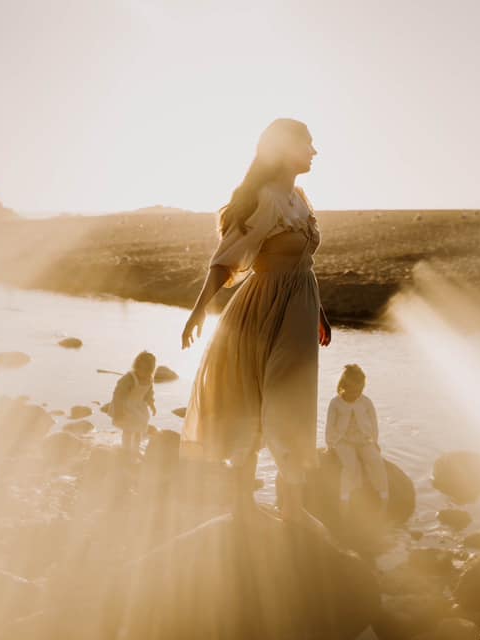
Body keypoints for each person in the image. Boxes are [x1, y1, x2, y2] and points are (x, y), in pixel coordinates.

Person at [180, 118, 332, 528]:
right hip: (262, 311)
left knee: (294, 402)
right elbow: (225, 260)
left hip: (298, 311)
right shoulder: (265, 199)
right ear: (284, 150)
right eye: (308, 144)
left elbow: (302, 263)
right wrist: (198, 312)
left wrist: (317, 310)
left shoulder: (299, 197)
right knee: (255, 400)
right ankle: (246, 505)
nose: (315, 151)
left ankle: (292, 506)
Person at [325, 364, 389, 508]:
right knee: (350, 466)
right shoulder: (335, 403)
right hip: (343, 441)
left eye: (359, 391)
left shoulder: (366, 402)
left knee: (376, 462)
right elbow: (330, 425)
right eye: (352, 391)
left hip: (364, 439)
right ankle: (344, 499)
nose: (355, 394)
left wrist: (374, 441)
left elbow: (373, 422)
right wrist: (330, 445)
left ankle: (384, 496)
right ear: (343, 387)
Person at [111, 351, 157, 457]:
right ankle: (125, 448)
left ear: (150, 370)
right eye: (139, 368)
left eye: (146, 370)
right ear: (136, 366)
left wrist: (152, 404)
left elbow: (149, 393)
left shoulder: (149, 379)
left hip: (139, 407)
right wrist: (118, 410)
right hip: (126, 406)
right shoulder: (129, 378)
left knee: (139, 427)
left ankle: (135, 449)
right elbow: (118, 394)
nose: (142, 372)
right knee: (128, 428)